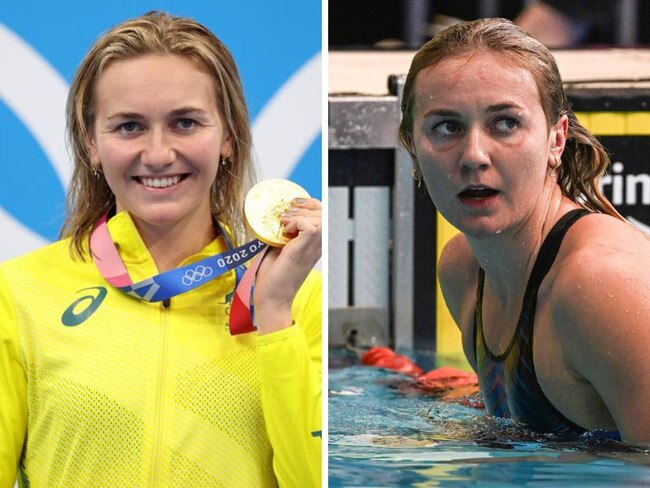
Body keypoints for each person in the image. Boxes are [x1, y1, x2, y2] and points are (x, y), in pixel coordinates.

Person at [0, 11, 321, 487]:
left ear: (228, 137)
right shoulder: (19, 292)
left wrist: (273, 315)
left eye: (185, 123)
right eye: (128, 127)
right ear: (91, 143)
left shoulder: (297, 301)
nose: (157, 154)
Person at [399, 18, 650, 443]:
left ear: (557, 140)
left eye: (505, 124)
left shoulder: (601, 285)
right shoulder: (462, 268)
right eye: (447, 127)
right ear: (412, 146)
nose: (474, 155)